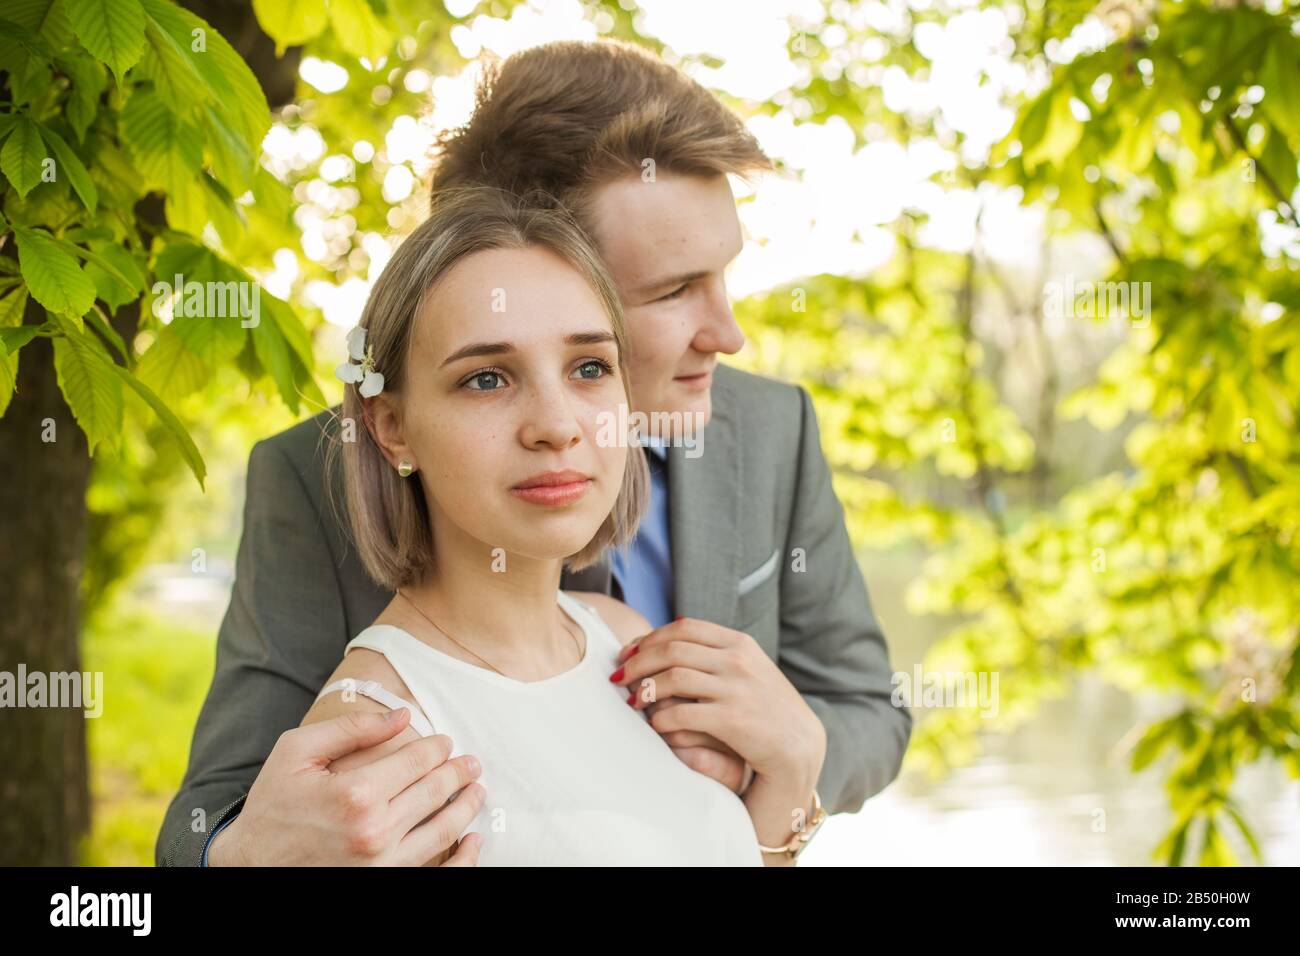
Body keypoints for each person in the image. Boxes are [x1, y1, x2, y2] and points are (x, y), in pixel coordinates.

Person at [157, 39, 910, 868]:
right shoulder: (314, 476)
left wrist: (785, 757)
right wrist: (245, 857)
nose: (728, 332)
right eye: (671, 290)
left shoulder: (771, 429)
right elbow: (216, 812)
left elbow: (865, 709)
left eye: (591, 367)